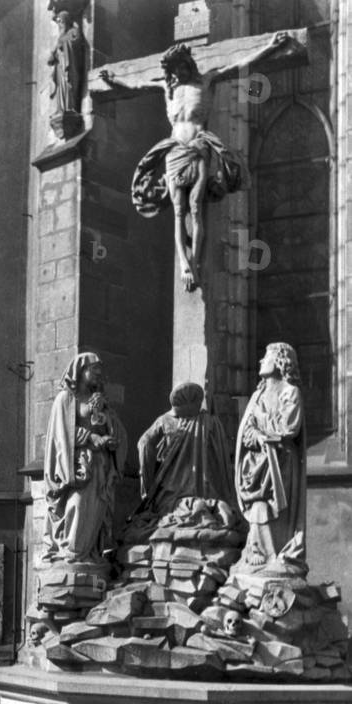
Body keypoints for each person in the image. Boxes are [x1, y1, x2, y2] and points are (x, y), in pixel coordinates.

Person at [101, 34, 289, 290]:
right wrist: (112, 81)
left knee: (196, 208)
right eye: (174, 69)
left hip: (199, 147)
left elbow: (239, 65)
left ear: (188, 64)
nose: (178, 72)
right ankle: (184, 264)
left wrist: (269, 47)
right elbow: (136, 86)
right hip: (175, 149)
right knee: (180, 211)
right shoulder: (167, 88)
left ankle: (196, 261)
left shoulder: (206, 79)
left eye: (181, 66)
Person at [42, 352, 127, 564]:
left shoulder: (99, 400)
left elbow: (117, 431)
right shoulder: (66, 399)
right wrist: (91, 436)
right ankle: (71, 552)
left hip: (100, 465)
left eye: (101, 372)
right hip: (76, 466)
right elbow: (62, 434)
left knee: (96, 509)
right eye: (95, 371)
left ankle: (90, 554)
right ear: (81, 371)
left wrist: (107, 423)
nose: (99, 376)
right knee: (78, 504)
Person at [235, 342, 306, 571]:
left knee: (277, 512)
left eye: (266, 356)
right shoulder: (258, 395)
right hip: (257, 462)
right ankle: (257, 553)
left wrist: (261, 424)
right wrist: (258, 435)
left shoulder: (290, 392)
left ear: (280, 361)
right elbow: (247, 429)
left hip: (281, 462)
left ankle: (275, 558)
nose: (260, 361)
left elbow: (288, 427)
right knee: (258, 506)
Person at [137, 381, 234, 517]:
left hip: (169, 491)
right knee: (212, 508)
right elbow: (225, 455)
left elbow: (144, 443)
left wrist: (148, 490)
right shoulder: (209, 422)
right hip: (205, 490)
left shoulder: (165, 420)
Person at [48, 9, 86, 117]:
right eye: (58, 22)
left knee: (69, 83)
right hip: (61, 66)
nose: (60, 24)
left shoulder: (73, 31)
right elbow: (54, 55)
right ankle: (61, 108)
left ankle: (71, 107)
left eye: (61, 21)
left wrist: (63, 44)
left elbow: (76, 43)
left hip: (70, 65)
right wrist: (54, 55)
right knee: (61, 86)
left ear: (66, 21)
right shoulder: (61, 36)